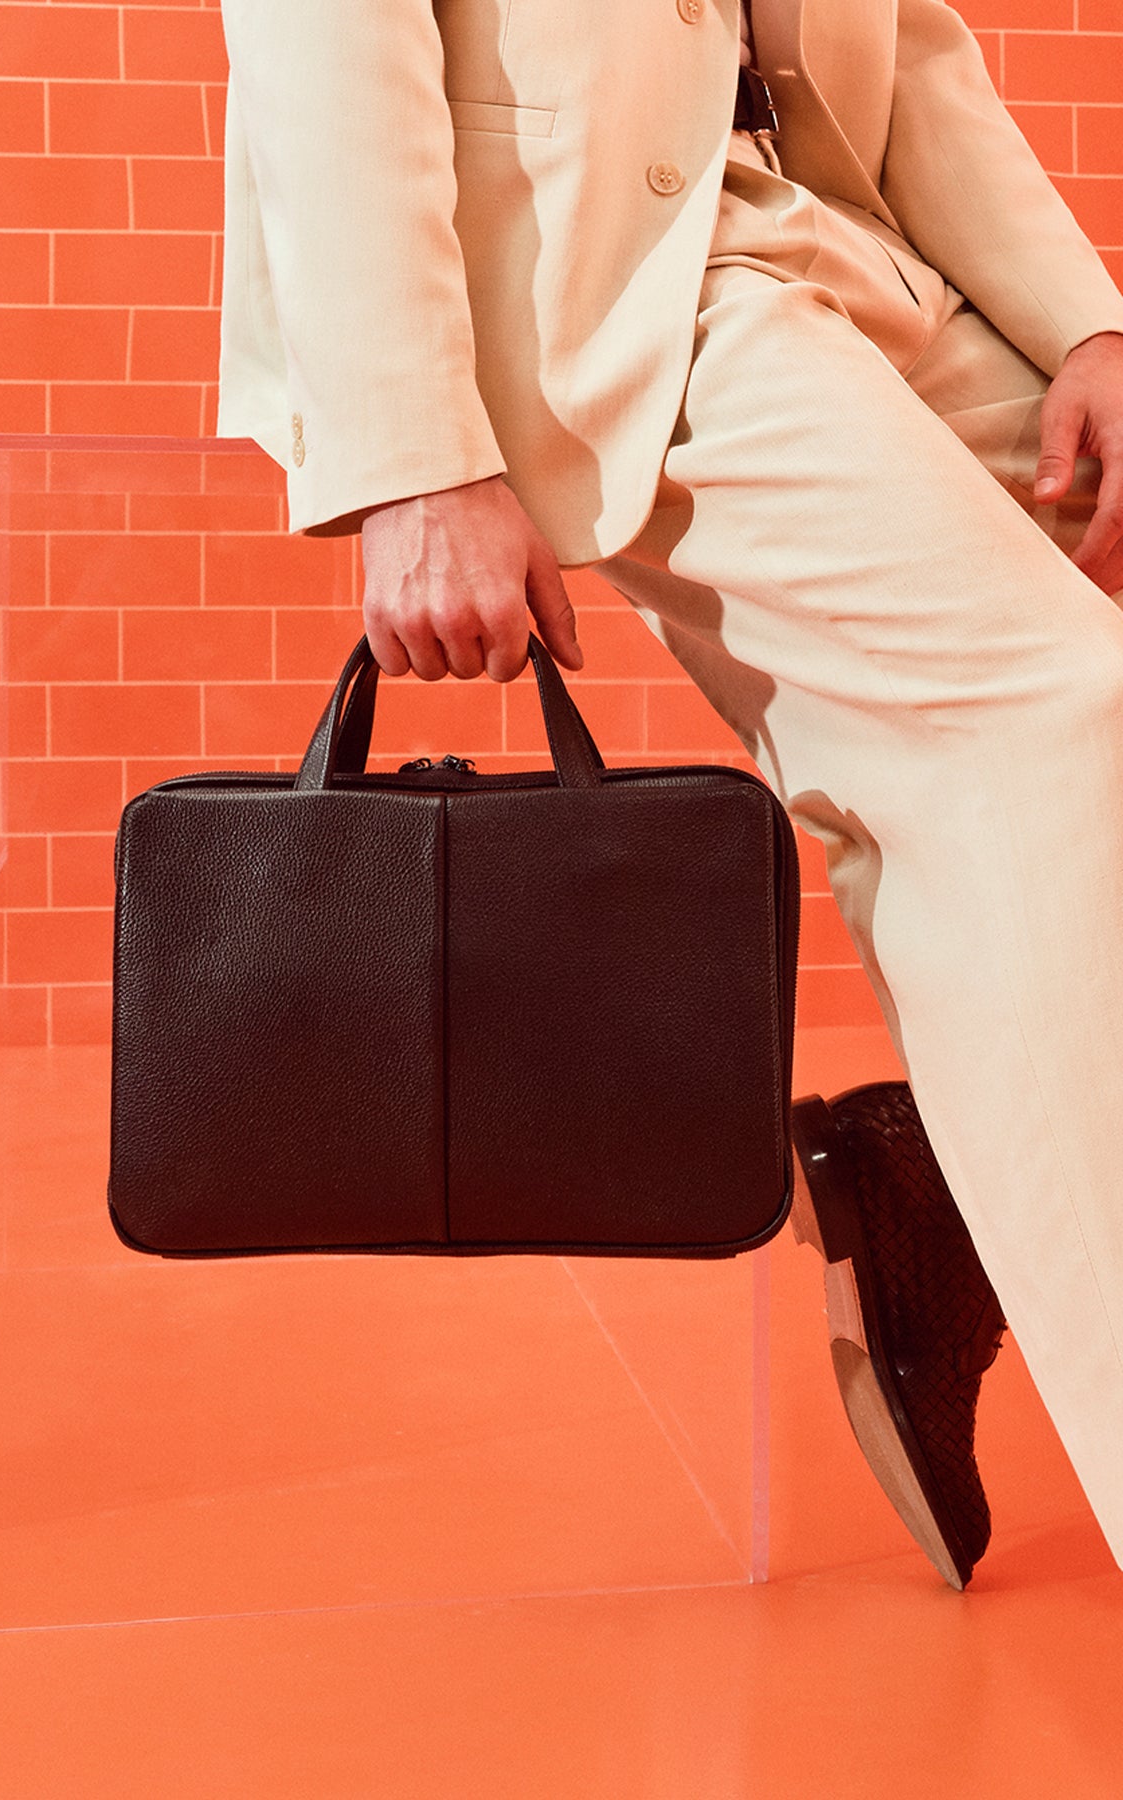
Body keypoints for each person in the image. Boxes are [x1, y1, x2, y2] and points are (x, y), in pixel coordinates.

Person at [215, 0, 1123, 1585]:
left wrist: (1088, 328)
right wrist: (410, 452)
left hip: (861, 233)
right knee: (1042, 719)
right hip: (614, 271)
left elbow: (910, 40)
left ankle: (952, 1165)